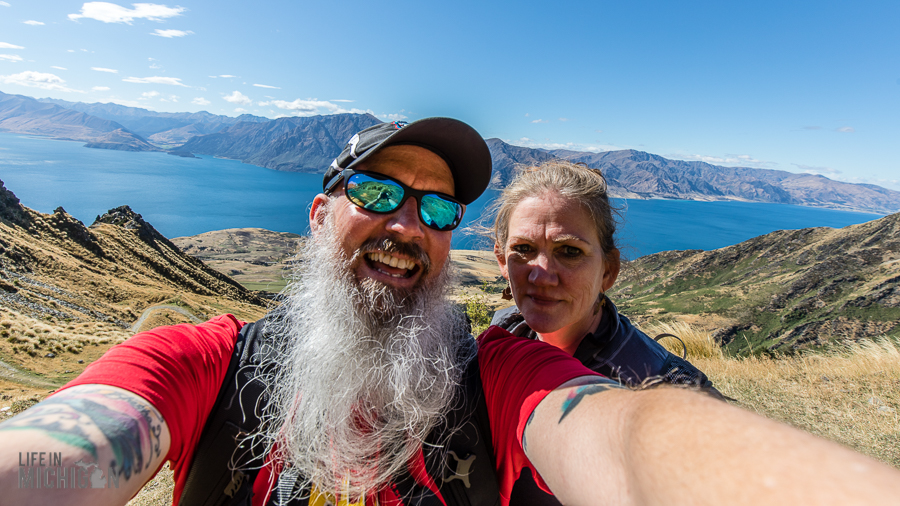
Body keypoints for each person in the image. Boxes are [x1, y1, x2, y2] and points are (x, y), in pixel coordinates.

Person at [2, 119, 900, 506]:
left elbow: (622, 437)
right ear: (321, 215)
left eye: (437, 209)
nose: (407, 222)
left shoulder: (501, 371)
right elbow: (77, 444)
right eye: (378, 191)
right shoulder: (205, 362)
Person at [490, 160, 718, 390]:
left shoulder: (670, 390)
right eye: (522, 248)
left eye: (570, 251)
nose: (541, 277)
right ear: (502, 259)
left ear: (608, 270)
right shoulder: (496, 340)